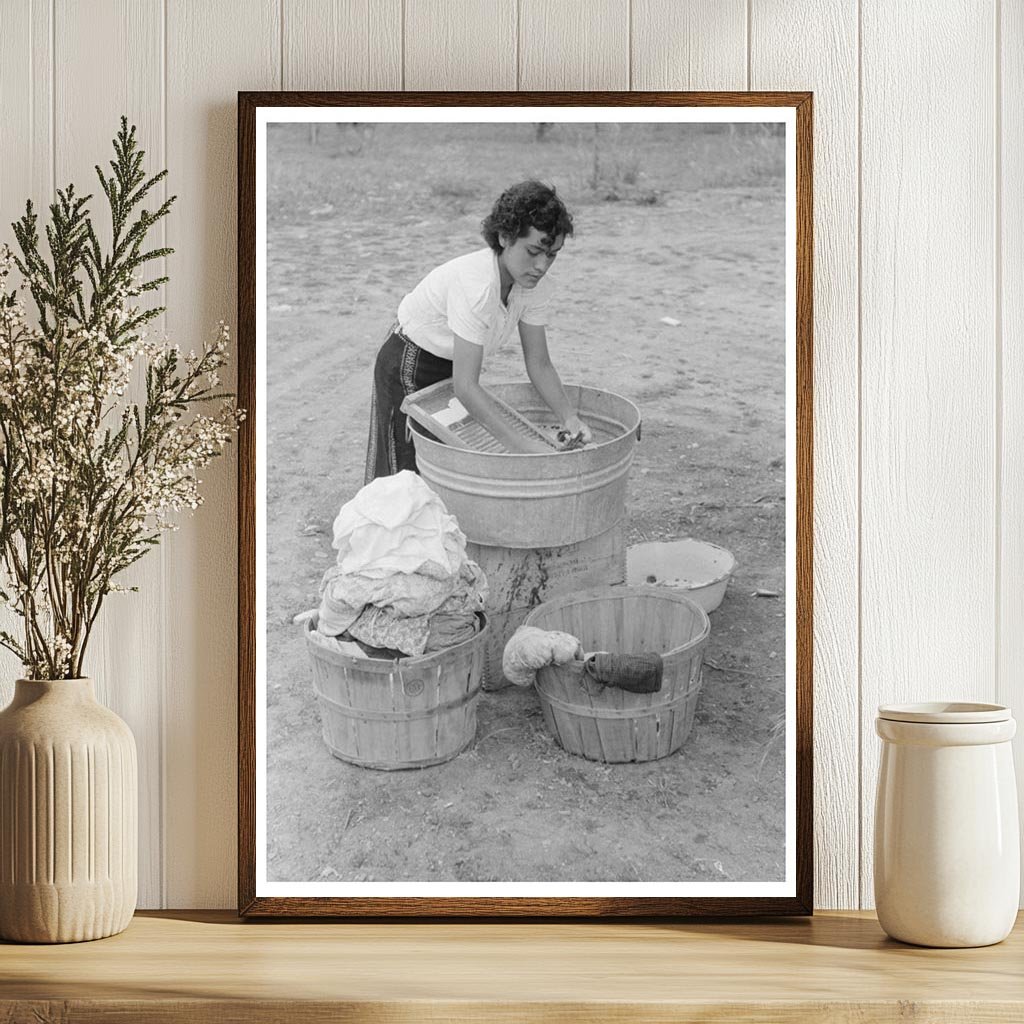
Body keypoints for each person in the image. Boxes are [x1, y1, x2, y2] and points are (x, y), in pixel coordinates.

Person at [364, 179, 592, 483]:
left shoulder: (533, 286)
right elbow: (467, 386)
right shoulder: (476, 286)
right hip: (409, 362)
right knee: (405, 474)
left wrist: (569, 417)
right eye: (534, 251)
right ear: (504, 237)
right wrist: (522, 447)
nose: (542, 265)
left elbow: (539, 363)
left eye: (552, 254)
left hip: (453, 364)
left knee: (447, 469)